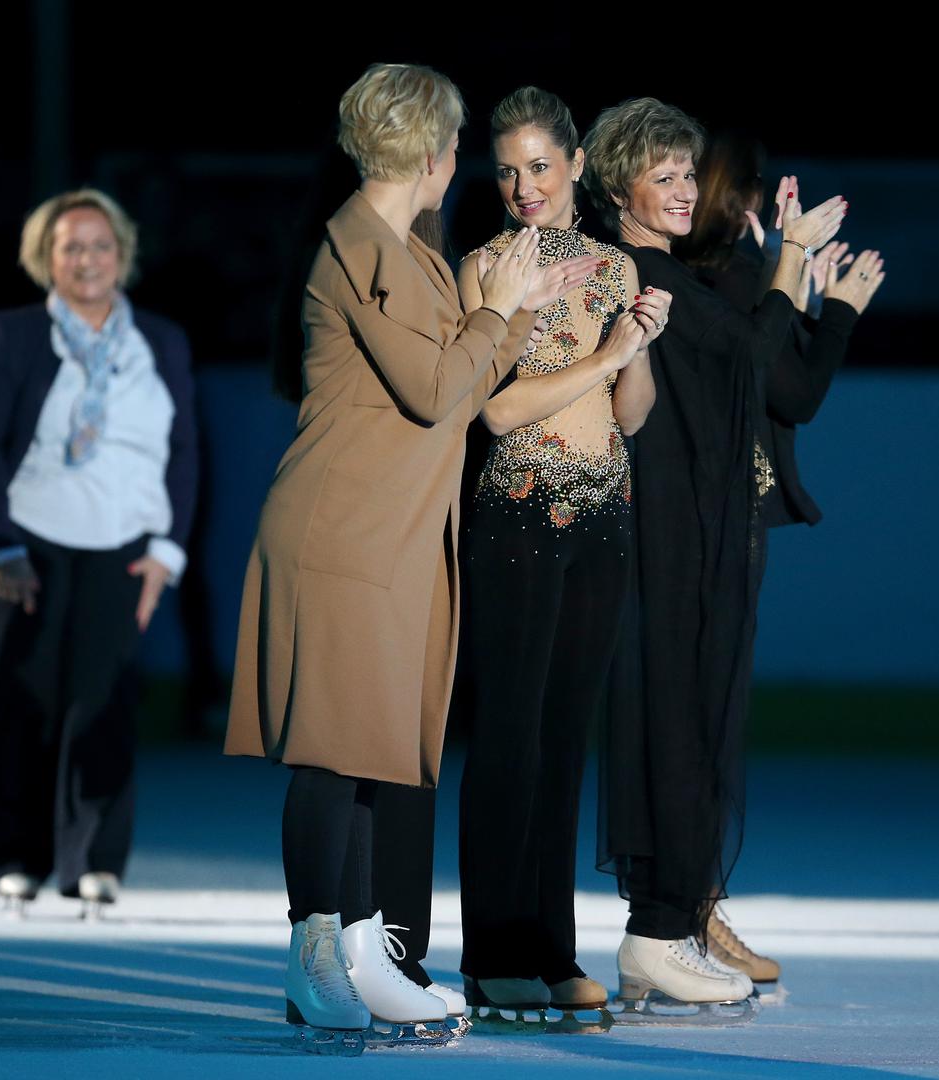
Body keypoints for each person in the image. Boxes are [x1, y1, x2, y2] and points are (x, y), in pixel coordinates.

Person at [223, 63, 598, 1042]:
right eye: (456, 144)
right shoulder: (357, 247)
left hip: (391, 534)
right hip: (342, 528)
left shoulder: (415, 253)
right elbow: (435, 389)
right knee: (330, 753)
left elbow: (464, 384)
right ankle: (315, 961)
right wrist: (498, 312)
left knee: (371, 757)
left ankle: (360, 954)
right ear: (430, 151)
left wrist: (521, 306)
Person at [581, 97, 845, 1012]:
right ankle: (658, 928)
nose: (688, 190)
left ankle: (664, 928)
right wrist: (796, 259)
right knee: (672, 716)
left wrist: (790, 266)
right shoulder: (637, 269)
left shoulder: (658, 267)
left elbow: (752, 359)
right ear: (620, 185)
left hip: (687, 518)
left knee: (688, 716)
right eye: (667, 175)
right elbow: (749, 354)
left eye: (691, 172)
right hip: (660, 524)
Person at [454, 86, 665, 1018]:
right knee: (507, 738)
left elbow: (633, 413)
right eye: (507, 168)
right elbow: (497, 409)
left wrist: (638, 348)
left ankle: (550, 947)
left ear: (578, 165)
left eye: (540, 165)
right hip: (521, 515)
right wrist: (606, 353)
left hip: (604, 515)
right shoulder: (487, 269)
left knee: (563, 743)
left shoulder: (616, 267)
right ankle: (493, 948)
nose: (523, 184)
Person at [0, 188, 198, 916]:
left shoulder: (161, 341)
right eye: (70, 246)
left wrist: (169, 551)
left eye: (100, 244)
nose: (87, 259)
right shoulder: (14, 333)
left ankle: (94, 861)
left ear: (123, 254)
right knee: (23, 700)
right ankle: (10, 856)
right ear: (44, 258)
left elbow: (182, 453)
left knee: (105, 703)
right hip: (27, 541)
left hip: (125, 545)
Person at [675, 133, 887, 990]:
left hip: (722, 517)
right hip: (715, 522)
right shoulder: (728, 276)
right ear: (743, 200)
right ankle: (685, 914)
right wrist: (833, 308)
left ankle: (688, 909)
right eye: (761, 197)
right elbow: (793, 392)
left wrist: (795, 279)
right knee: (702, 722)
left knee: (704, 721)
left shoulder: (731, 273)